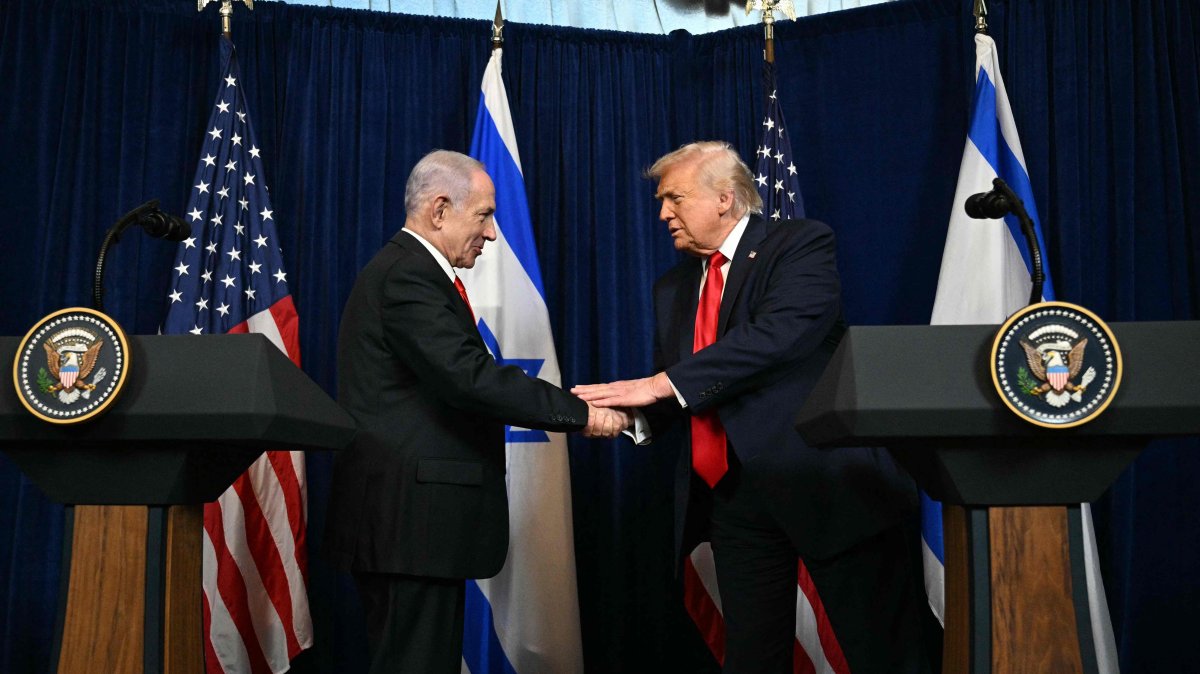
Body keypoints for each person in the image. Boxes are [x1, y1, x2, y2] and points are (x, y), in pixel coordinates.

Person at [573, 141, 930, 673]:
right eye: (661, 200)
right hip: (734, 500)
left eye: (674, 197)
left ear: (724, 198)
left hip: (826, 484)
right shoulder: (673, 287)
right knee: (751, 658)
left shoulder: (800, 244)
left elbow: (778, 336)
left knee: (882, 652)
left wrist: (657, 384)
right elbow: (685, 393)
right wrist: (629, 417)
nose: (663, 212)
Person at [325, 150, 628, 673]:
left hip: (412, 527)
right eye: (484, 215)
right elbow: (470, 378)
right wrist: (580, 413)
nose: (491, 234)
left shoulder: (412, 272)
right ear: (439, 210)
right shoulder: (408, 276)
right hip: (406, 525)